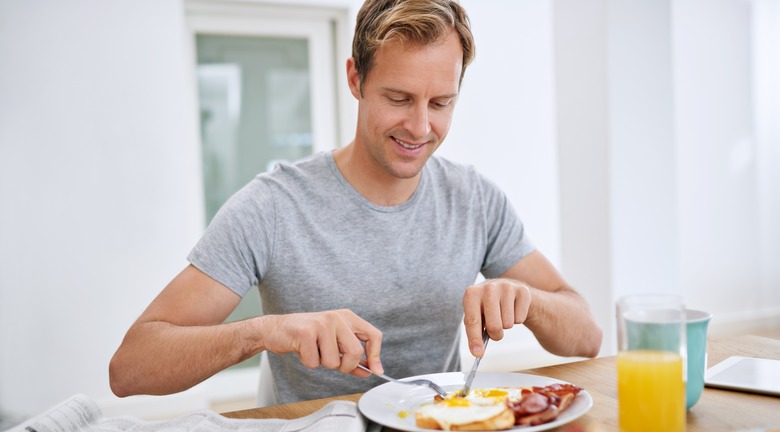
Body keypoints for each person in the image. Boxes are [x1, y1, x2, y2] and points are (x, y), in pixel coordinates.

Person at [109, 0, 602, 405]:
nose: (420, 128)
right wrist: (262, 332)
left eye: (440, 104)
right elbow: (130, 367)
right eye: (398, 98)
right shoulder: (272, 207)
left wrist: (530, 302)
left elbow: (587, 338)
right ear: (355, 79)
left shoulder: (475, 200)